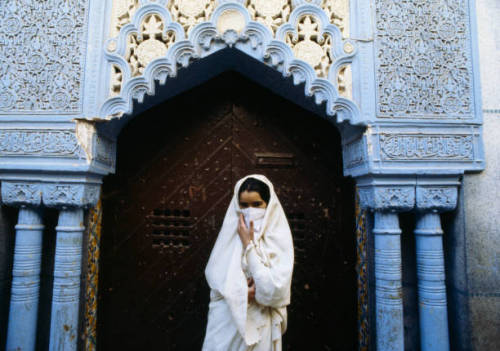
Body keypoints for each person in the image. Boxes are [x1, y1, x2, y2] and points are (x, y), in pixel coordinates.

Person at [202, 174, 294, 351]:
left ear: (268, 204)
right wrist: (241, 294)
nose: (250, 211)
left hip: (261, 325)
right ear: (237, 206)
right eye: (244, 205)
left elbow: (274, 290)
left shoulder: (278, 239)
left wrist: (248, 246)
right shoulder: (228, 239)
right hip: (226, 324)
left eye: (257, 204)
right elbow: (215, 284)